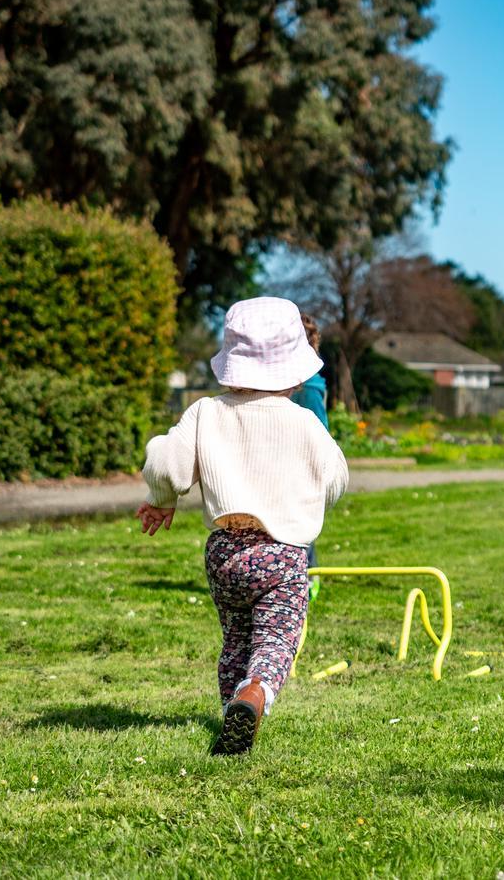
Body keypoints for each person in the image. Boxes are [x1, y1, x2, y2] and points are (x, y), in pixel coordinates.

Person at [136, 297, 348, 756]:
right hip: (281, 556)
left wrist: (162, 499)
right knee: (275, 637)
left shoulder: (206, 413)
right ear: (295, 368)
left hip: (224, 553)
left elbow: (165, 461)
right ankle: (253, 695)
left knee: (235, 637)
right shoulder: (305, 422)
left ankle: (233, 715)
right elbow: (335, 478)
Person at [288, 313, 329, 600]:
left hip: (302, 464)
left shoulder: (308, 386)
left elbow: (319, 432)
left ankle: (308, 576)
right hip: (286, 462)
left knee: (301, 522)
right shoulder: (295, 381)